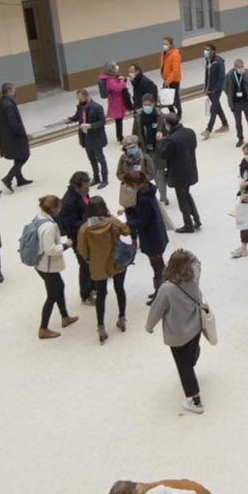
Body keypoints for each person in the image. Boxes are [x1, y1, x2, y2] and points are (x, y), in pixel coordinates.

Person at [146, 248, 207, 414]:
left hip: (178, 333)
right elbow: (197, 261)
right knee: (192, 351)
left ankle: (196, 401)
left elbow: (157, 310)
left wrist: (149, 326)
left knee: (183, 366)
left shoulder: (166, 289)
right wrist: (186, 253)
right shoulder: (193, 276)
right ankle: (192, 361)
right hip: (196, 325)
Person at [77, 196, 130, 344]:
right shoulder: (112, 222)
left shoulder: (85, 228)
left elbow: (82, 250)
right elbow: (126, 231)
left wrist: (90, 259)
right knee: (120, 289)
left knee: (101, 294)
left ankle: (101, 326)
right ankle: (121, 318)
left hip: (97, 264)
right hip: (116, 261)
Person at [33, 194, 77, 339]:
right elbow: (50, 249)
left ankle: (65, 316)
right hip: (47, 265)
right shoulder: (49, 227)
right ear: (53, 208)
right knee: (52, 295)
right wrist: (65, 245)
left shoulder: (38, 217)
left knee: (59, 287)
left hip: (40, 263)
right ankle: (43, 328)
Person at [121, 169, 169, 303]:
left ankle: (160, 293)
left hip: (152, 238)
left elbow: (142, 221)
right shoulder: (148, 192)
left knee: (157, 266)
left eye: (128, 185)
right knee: (159, 263)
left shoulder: (143, 200)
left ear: (135, 184)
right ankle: (163, 289)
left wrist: (125, 223)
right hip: (157, 234)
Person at [157, 113, 201, 234]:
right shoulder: (189, 132)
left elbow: (164, 154)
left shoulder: (172, 140)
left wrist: (160, 142)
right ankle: (196, 219)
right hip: (190, 168)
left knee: (182, 199)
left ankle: (188, 224)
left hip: (178, 173)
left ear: (168, 125)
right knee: (187, 195)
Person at [58, 171, 94, 305]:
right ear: (77, 186)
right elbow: (70, 225)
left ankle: (94, 287)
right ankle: (85, 294)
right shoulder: (68, 202)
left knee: (91, 263)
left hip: (88, 234)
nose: (88, 189)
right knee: (85, 266)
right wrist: (89, 223)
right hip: (78, 238)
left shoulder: (82, 194)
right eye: (85, 187)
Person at [65, 88, 109, 189]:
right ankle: (96, 177)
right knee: (92, 159)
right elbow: (77, 117)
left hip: (96, 137)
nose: (79, 101)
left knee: (100, 159)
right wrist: (70, 119)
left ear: (86, 97)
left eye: (81, 99)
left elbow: (102, 121)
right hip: (86, 137)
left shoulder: (97, 107)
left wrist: (91, 126)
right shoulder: (80, 107)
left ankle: (105, 179)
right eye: (78, 99)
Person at [133, 93, 169, 205]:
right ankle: (157, 196)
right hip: (145, 150)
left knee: (160, 175)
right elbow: (135, 133)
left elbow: (168, 132)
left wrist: (163, 135)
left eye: (149, 104)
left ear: (154, 104)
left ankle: (163, 199)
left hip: (157, 150)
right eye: (145, 104)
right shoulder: (138, 117)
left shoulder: (160, 116)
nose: (147, 107)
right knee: (150, 176)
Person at [0, 82, 31, 193]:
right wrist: (21, 132)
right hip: (15, 136)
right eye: (14, 90)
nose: (15, 92)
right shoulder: (9, 105)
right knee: (24, 155)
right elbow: (13, 122)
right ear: (9, 92)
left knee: (18, 156)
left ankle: (19, 178)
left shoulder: (0, 103)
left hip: (7, 136)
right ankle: (8, 178)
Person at [117, 135, 156, 210]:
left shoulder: (145, 158)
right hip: (129, 191)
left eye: (134, 147)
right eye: (129, 148)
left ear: (138, 145)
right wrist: (128, 179)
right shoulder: (123, 158)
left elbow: (151, 174)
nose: (132, 149)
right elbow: (119, 173)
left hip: (143, 189)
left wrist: (139, 179)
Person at [224, 59, 248, 147]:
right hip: (236, 103)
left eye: (242, 67)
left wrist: (244, 75)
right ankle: (240, 138)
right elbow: (225, 87)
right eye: (239, 67)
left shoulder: (246, 72)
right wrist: (230, 96)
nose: (241, 68)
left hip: (246, 101)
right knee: (238, 122)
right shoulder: (229, 75)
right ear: (234, 67)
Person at [201, 43, 229, 139]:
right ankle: (225, 124)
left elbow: (221, 78)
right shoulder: (208, 60)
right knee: (217, 106)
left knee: (213, 109)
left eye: (208, 50)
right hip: (209, 89)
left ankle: (208, 129)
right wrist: (205, 88)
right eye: (205, 49)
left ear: (213, 51)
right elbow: (207, 76)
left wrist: (215, 90)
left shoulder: (218, 62)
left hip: (216, 90)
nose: (206, 52)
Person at [98, 62, 130, 144]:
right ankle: (120, 137)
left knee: (119, 120)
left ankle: (119, 136)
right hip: (116, 102)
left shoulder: (111, 77)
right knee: (119, 120)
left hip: (116, 101)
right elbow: (117, 87)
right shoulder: (110, 79)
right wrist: (122, 81)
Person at [159, 36, 182, 115]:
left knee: (175, 98)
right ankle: (172, 112)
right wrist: (162, 75)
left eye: (166, 44)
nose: (164, 45)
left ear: (171, 45)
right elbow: (163, 64)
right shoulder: (164, 53)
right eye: (163, 44)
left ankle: (179, 112)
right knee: (166, 98)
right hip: (166, 79)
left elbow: (175, 71)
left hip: (174, 80)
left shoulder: (175, 55)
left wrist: (168, 80)